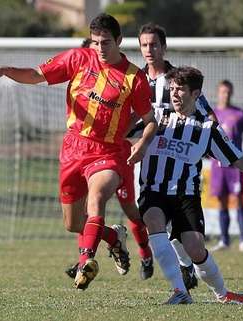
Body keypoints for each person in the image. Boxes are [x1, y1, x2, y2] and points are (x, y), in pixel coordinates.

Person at [0, 13, 158, 291]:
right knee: (74, 224)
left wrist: (143, 143)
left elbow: (151, 121)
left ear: (120, 41)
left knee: (96, 197)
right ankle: (113, 237)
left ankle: (86, 262)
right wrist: (6, 70)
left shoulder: (134, 78)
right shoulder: (77, 58)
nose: (100, 48)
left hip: (107, 152)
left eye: (106, 42)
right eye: (96, 42)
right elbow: (36, 76)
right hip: (73, 148)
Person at [138, 65, 243, 304]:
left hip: (186, 196)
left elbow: (236, 157)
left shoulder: (208, 129)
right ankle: (180, 291)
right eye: (172, 88)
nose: (174, 94)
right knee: (154, 221)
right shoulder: (155, 118)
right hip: (153, 190)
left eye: (180, 89)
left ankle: (223, 294)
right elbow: (121, 128)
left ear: (195, 94)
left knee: (195, 249)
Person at [134, 21, 220, 290]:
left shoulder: (177, 78)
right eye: (144, 45)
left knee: (172, 217)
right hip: (146, 155)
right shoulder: (136, 79)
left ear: (164, 46)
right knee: (154, 216)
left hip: (178, 156)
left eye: (154, 44)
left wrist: (213, 145)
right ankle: (172, 263)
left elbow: (207, 113)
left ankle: (184, 265)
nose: (149, 50)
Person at [64, 38, 154, 282]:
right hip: (83, 153)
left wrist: (129, 135)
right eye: (94, 47)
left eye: (102, 45)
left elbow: (143, 115)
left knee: (127, 208)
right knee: (79, 218)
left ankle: (144, 254)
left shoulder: (130, 78)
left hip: (116, 153)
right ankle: (102, 247)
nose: (98, 52)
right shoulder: (84, 76)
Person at [210, 80, 243, 252]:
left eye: (229, 92)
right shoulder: (212, 114)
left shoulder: (239, 114)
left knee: (238, 199)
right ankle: (225, 240)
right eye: (223, 91)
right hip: (218, 167)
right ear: (218, 93)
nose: (226, 94)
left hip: (236, 166)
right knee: (221, 201)